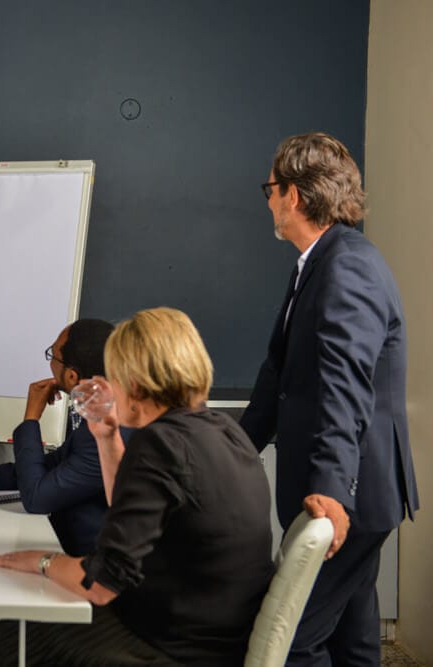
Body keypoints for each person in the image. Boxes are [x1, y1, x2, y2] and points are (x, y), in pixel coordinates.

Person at [0, 307, 275, 666]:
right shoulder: (220, 428)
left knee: (6, 618)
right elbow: (127, 498)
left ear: (135, 381)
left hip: (170, 645)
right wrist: (107, 435)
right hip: (219, 633)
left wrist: (43, 561)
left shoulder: (160, 445)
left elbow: (103, 583)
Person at [241, 132, 419, 666]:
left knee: (294, 638)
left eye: (270, 189)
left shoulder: (347, 265)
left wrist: (331, 493)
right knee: (352, 638)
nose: (268, 200)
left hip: (349, 498)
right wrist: (233, 451)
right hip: (351, 493)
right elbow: (281, 376)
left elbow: (345, 383)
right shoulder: (316, 263)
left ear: (293, 195)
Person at [0, 319, 131, 557]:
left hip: (90, 563)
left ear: (72, 376)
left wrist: (31, 417)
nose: (50, 363)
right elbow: (55, 467)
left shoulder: (111, 428)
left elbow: (37, 498)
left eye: (53, 356)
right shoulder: (106, 411)